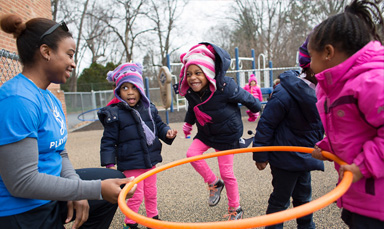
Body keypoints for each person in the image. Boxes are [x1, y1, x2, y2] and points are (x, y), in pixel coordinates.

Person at [0, 14, 136, 229]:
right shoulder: (17, 100)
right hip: (23, 210)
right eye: (69, 54)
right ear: (46, 52)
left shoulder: (49, 98)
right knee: (104, 188)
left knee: (115, 179)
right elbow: (22, 182)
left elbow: (59, 152)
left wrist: (77, 189)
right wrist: (92, 189)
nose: (73, 63)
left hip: (51, 194)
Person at [309, 0, 384, 228]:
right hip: (357, 193)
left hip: (377, 198)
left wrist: (363, 166)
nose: (310, 65)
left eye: (312, 57)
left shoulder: (372, 82)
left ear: (328, 52)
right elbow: (351, 130)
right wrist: (328, 147)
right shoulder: (335, 86)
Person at [179, 42, 261, 220]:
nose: (193, 78)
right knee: (191, 154)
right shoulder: (191, 93)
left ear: (208, 72)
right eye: (189, 73)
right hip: (207, 133)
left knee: (227, 173)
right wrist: (188, 124)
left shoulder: (225, 86)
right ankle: (214, 182)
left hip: (226, 134)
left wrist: (255, 108)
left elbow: (246, 97)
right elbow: (193, 108)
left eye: (198, 73)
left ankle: (235, 209)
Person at [252, 35, 325, 228]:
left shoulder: (324, 91)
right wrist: (261, 153)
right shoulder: (285, 92)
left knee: (304, 199)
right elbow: (267, 123)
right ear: (309, 66)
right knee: (280, 201)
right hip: (285, 159)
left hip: (305, 156)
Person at [98, 62, 178, 229]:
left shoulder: (149, 108)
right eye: (125, 88)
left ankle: (153, 218)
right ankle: (131, 222)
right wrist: (109, 164)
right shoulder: (114, 113)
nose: (130, 92)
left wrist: (167, 132)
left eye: (134, 87)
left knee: (151, 192)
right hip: (130, 161)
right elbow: (108, 141)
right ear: (118, 90)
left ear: (140, 89)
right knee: (136, 194)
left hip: (150, 159)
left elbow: (159, 126)